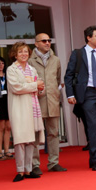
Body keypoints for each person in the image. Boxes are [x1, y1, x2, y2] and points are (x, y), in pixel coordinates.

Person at [64, 26, 96, 173]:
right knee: (92, 126)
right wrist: (70, 95)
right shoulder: (78, 54)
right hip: (87, 94)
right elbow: (69, 75)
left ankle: (95, 159)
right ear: (88, 38)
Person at [6, 42, 45, 182]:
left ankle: (28, 170)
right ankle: (20, 170)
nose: (24, 54)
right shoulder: (11, 70)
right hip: (19, 108)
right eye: (20, 52)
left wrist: (40, 88)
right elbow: (17, 87)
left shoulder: (32, 69)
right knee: (20, 140)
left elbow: (39, 85)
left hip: (33, 107)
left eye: (26, 52)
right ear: (15, 55)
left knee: (30, 141)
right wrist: (35, 85)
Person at [30, 33, 67, 172]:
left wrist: (56, 94)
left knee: (53, 133)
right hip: (36, 103)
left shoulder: (56, 60)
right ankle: (34, 165)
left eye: (49, 40)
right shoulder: (29, 60)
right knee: (35, 134)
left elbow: (58, 79)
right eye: (44, 41)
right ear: (36, 43)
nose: (47, 43)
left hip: (52, 101)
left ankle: (53, 163)